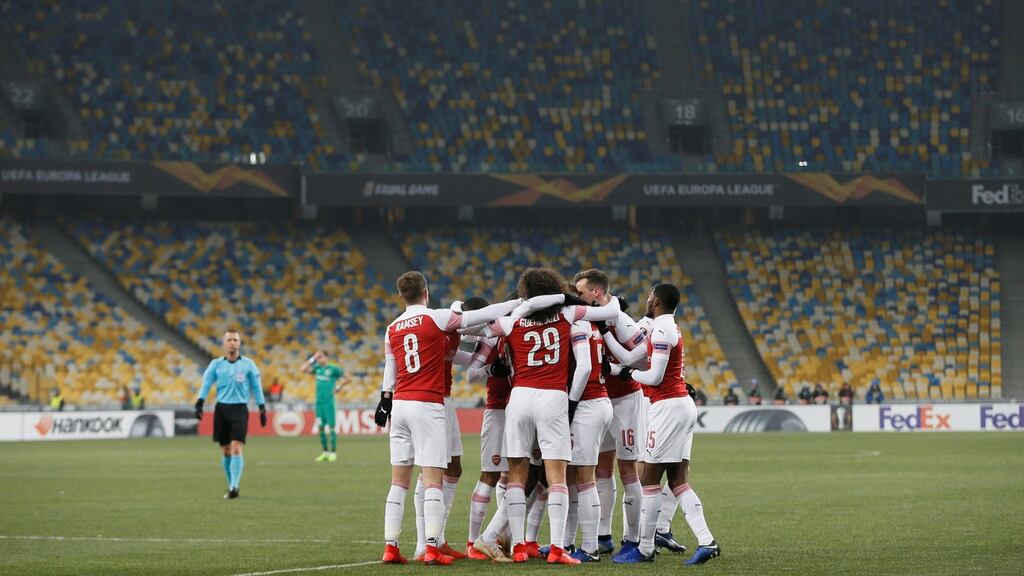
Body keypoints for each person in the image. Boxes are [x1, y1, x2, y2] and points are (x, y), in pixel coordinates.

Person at [470, 268, 621, 565]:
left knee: (517, 475)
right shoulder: (568, 314)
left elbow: (474, 330)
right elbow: (610, 310)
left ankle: (517, 548)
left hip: (520, 398)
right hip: (554, 397)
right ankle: (556, 549)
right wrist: (562, 297)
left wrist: (519, 307)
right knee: (556, 477)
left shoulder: (513, 321)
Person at [375, 271, 521, 566]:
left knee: (406, 477)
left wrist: (384, 399)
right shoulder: (437, 319)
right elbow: (484, 315)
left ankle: (393, 546)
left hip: (401, 402)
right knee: (432, 477)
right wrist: (520, 303)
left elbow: (391, 367)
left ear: (400, 297)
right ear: (426, 293)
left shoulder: (392, 328)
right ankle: (427, 547)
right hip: (430, 402)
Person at [603, 283, 721, 565]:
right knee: (678, 480)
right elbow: (631, 358)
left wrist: (628, 374)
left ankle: (644, 548)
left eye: (649, 296)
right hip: (678, 405)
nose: (646, 299)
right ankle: (706, 541)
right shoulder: (666, 327)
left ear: (656, 301)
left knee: (648, 480)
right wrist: (614, 352)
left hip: (668, 407)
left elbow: (654, 376)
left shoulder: (662, 330)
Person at [573, 268, 649, 556]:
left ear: (596, 292)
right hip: (601, 402)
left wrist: (620, 369)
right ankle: (603, 535)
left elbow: (644, 359)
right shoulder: (590, 318)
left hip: (626, 401)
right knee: (601, 469)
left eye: (580, 292)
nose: (576, 297)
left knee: (627, 469)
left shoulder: (620, 320)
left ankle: (633, 539)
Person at [194, 329, 267, 500]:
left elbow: (256, 387)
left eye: (235, 339)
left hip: (240, 409)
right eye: (229, 339)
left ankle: (234, 486)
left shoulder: (248, 364)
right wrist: (199, 403)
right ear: (224, 343)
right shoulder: (216, 364)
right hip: (222, 410)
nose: (232, 342)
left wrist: (262, 408)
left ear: (239, 343)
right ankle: (231, 485)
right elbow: (206, 384)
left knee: (236, 447)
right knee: (226, 450)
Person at [300, 350, 346, 462]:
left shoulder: (333, 369)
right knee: (320, 427)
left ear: (326, 357)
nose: (319, 359)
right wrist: (313, 358)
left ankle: (333, 453)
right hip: (319, 403)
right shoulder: (317, 368)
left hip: (329, 402)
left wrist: (339, 386)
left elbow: (348, 378)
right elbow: (302, 369)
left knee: (331, 427)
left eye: (320, 357)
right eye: (318, 357)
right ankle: (325, 452)